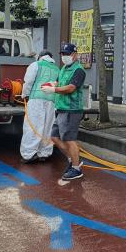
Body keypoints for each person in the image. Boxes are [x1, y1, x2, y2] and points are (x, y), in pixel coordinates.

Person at [41, 43, 86, 181]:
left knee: (69, 139)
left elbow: (71, 88)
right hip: (61, 108)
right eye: (62, 54)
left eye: (66, 54)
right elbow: (58, 82)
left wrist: (54, 90)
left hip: (72, 109)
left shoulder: (79, 70)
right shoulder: (64, 68)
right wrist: (52, 84)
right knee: (55, 137)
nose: (64, 56)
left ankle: (76, 169)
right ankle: (73, 159)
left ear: (74, 54)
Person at [19, 50, 60, 164]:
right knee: (48, 126)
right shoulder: (57, 69)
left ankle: (28, 154)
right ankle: (44, 153)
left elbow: (28, 81)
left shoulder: (36, 64)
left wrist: (24, 94)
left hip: (36, 99)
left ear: (40, 57)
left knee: (33, 126)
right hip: (51, 101)